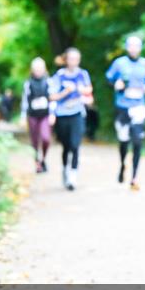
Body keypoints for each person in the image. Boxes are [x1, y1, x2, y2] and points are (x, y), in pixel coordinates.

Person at [106, 36, 145, 191]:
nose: (134, 48)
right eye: (131, 46)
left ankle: (134, 177)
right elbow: (109, 78)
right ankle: (122, 165)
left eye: (136, 46)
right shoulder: (119, 63)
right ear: (127, 47)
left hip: (139, 107)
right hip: (122, 107)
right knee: (124, 141)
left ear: (140, 48)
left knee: (138, 141)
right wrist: (116, 84)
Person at [50, 47, 93, 190]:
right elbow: (52, 96)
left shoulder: (83, 74)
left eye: (76, 58)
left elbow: (88, 90)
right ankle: (65, 169)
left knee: (75, 145)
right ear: (65, 59)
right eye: (71, 58)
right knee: (66, 146)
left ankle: (73, 177)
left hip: (77, 113)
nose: (73, 61)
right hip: (62, 114)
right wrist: (65, 92)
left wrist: (80, 90)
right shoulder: (59, 75)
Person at [20, 57, 53, 173]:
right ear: (32, 70)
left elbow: (52, 98)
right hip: (32, 115)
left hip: (45, 114)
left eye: (40, 68)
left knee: (46, 138)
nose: (38, 71)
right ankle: (37, 163)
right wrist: (23, 116)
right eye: (36, 69)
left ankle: (43, 159)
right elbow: (24, 100)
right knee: (34, 140)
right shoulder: (28, 83)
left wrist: (53, 114)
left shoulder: (49, 81)